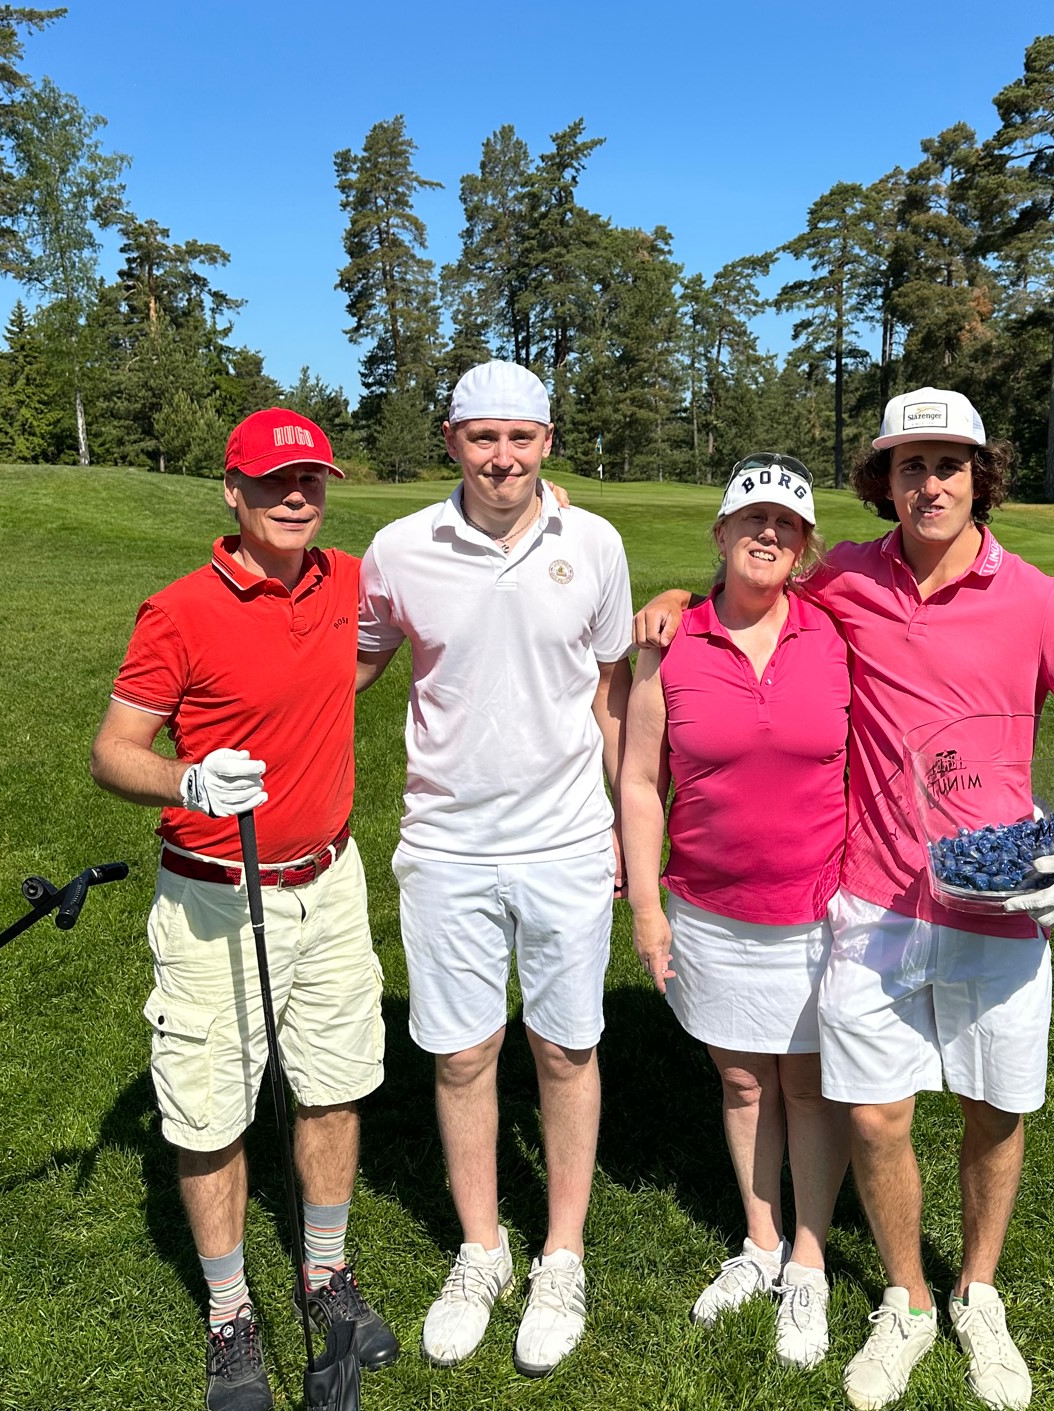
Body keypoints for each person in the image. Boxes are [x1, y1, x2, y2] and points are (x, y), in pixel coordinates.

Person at [636, 387, 1054, 1411]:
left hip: (998, 906)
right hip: (871, 906)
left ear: (978, 476)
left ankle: (978, 1292)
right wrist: (672, 597)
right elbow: (754, 578)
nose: (929, 483)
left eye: (948, 464)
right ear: (885, 480)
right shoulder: (846, 577)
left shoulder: (1040, 598)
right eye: (909, 465)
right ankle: (908, 1299)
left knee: (994, 1114)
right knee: (874, 1118)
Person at [90, 409, 398, 1411]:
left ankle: (324, 1273)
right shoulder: (178, 610)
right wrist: (185, 779)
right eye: (272, 482)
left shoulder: (349, 580)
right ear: (233, 491)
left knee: (333, 1083)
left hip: (330, 881)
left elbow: (438, 584)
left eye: (309, 480)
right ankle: (231, 1316)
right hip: (216, 896)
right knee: (210, 1110)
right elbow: (112, 751)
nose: (294, 497)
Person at [355, 360, 633, 1377]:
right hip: (446, 845)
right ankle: (481, 1248)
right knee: (462, 1053)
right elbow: (352, 664)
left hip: (565, 838)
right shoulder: (399, 548)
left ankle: (561, 1254)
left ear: (547, 443)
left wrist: (623, 822)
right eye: (482, 437)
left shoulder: (594, 544)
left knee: (565, 1047)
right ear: (451, 441)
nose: (502, 457)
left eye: (520, 438)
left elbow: (609, 691)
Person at [620, 453, 852, 1370]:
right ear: (719, 532)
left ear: (803, 547)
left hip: (819, 907)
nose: (767, 533)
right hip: (709, 907)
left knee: (808, 1084)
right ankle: (760, 1240)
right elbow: (641, 782)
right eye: (751, 518)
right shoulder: (668, 641)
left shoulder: (834, 631)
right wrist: (646, 905)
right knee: (744, 1082)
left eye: (786, 524)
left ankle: (809, 1256)